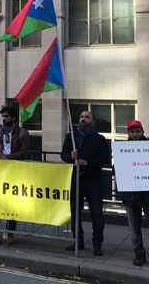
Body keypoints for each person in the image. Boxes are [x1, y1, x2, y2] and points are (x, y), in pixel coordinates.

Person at [118, 120, 149, 270]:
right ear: (128, 133)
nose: (135, 135)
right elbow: (118, 171)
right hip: (131, 196)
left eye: (137, 131)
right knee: (134, 229)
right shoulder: (123, 149)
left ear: (142, 131)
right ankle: (139, 254)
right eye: (132, 132)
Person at [61, 110, 111, 256]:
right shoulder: (71, 137)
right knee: (75, 213)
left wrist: (87, 162)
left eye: (87, 117)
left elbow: (105, 159)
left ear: (93, 122)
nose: (83, 119)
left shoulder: (99, 139)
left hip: (94, 181)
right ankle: (79, 241)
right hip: (75, 180)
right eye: (82, 117)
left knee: (96, 213)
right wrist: (71, 157)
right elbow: (63, 155)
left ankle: (97, 243)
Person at [0, 105, 30, 245]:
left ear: (14, 118)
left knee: (12, 202)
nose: (4, 119)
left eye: (7, 116)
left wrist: (7, 157)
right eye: (3, 116)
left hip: (14, 171)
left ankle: (10, 232)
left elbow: (24, 152)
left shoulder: (23, 133)